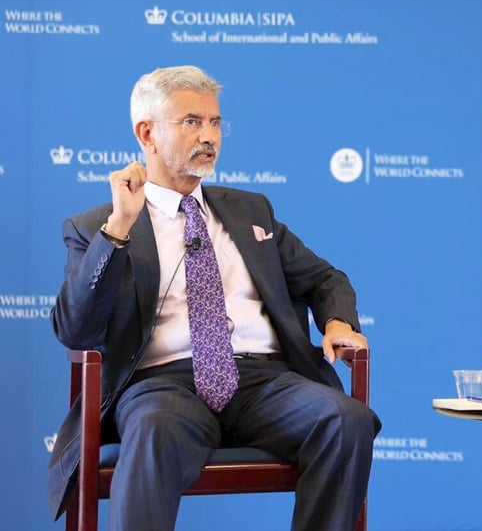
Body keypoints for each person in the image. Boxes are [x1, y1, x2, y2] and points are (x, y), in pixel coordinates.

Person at [47, 65, 381, 531]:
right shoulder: (97, 226)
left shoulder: (249, 211)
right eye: (191, 122)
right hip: (164, 386)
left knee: (348, 420)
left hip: (263, 383)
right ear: (147, 133)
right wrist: (117, 230)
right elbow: (76, 328)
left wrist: (339, 323)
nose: (209, 135)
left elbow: (325, 278)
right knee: (152, 431)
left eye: (215, 122)